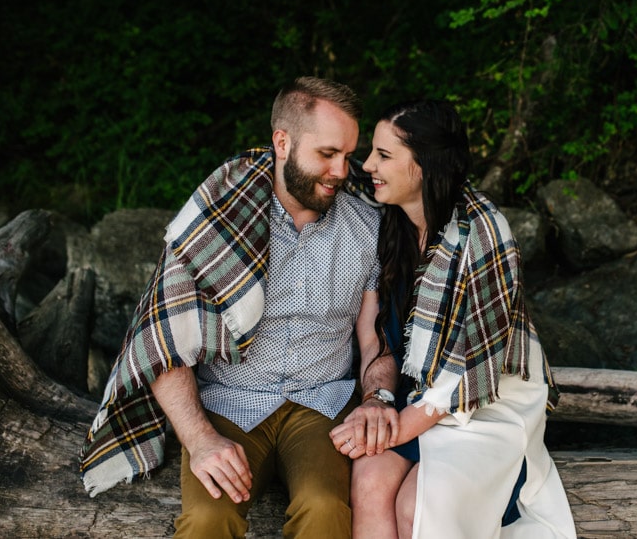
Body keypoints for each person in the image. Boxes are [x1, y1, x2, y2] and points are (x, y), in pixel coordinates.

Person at [79, 76, 400, 538]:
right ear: (282, 142)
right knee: (210, 519)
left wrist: (375, 399)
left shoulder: (368, 228)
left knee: (326, 508)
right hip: (228, 401)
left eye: (348, 156)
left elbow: (375, 341)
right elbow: (163, 339)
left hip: (323, 402)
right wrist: (201, 439)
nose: (341, 171)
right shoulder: (217, 217)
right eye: (327, 154)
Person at [329, 99, 576, 538]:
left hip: (485, 406)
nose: (367, 165)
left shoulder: (483, 234)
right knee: (368, 480)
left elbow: (468, 375)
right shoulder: (392, 220)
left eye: (384, 156)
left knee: (416, 506)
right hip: (414, 395)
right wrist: (379, 407)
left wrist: (392, 427)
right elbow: (294, 171)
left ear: (424, 166)